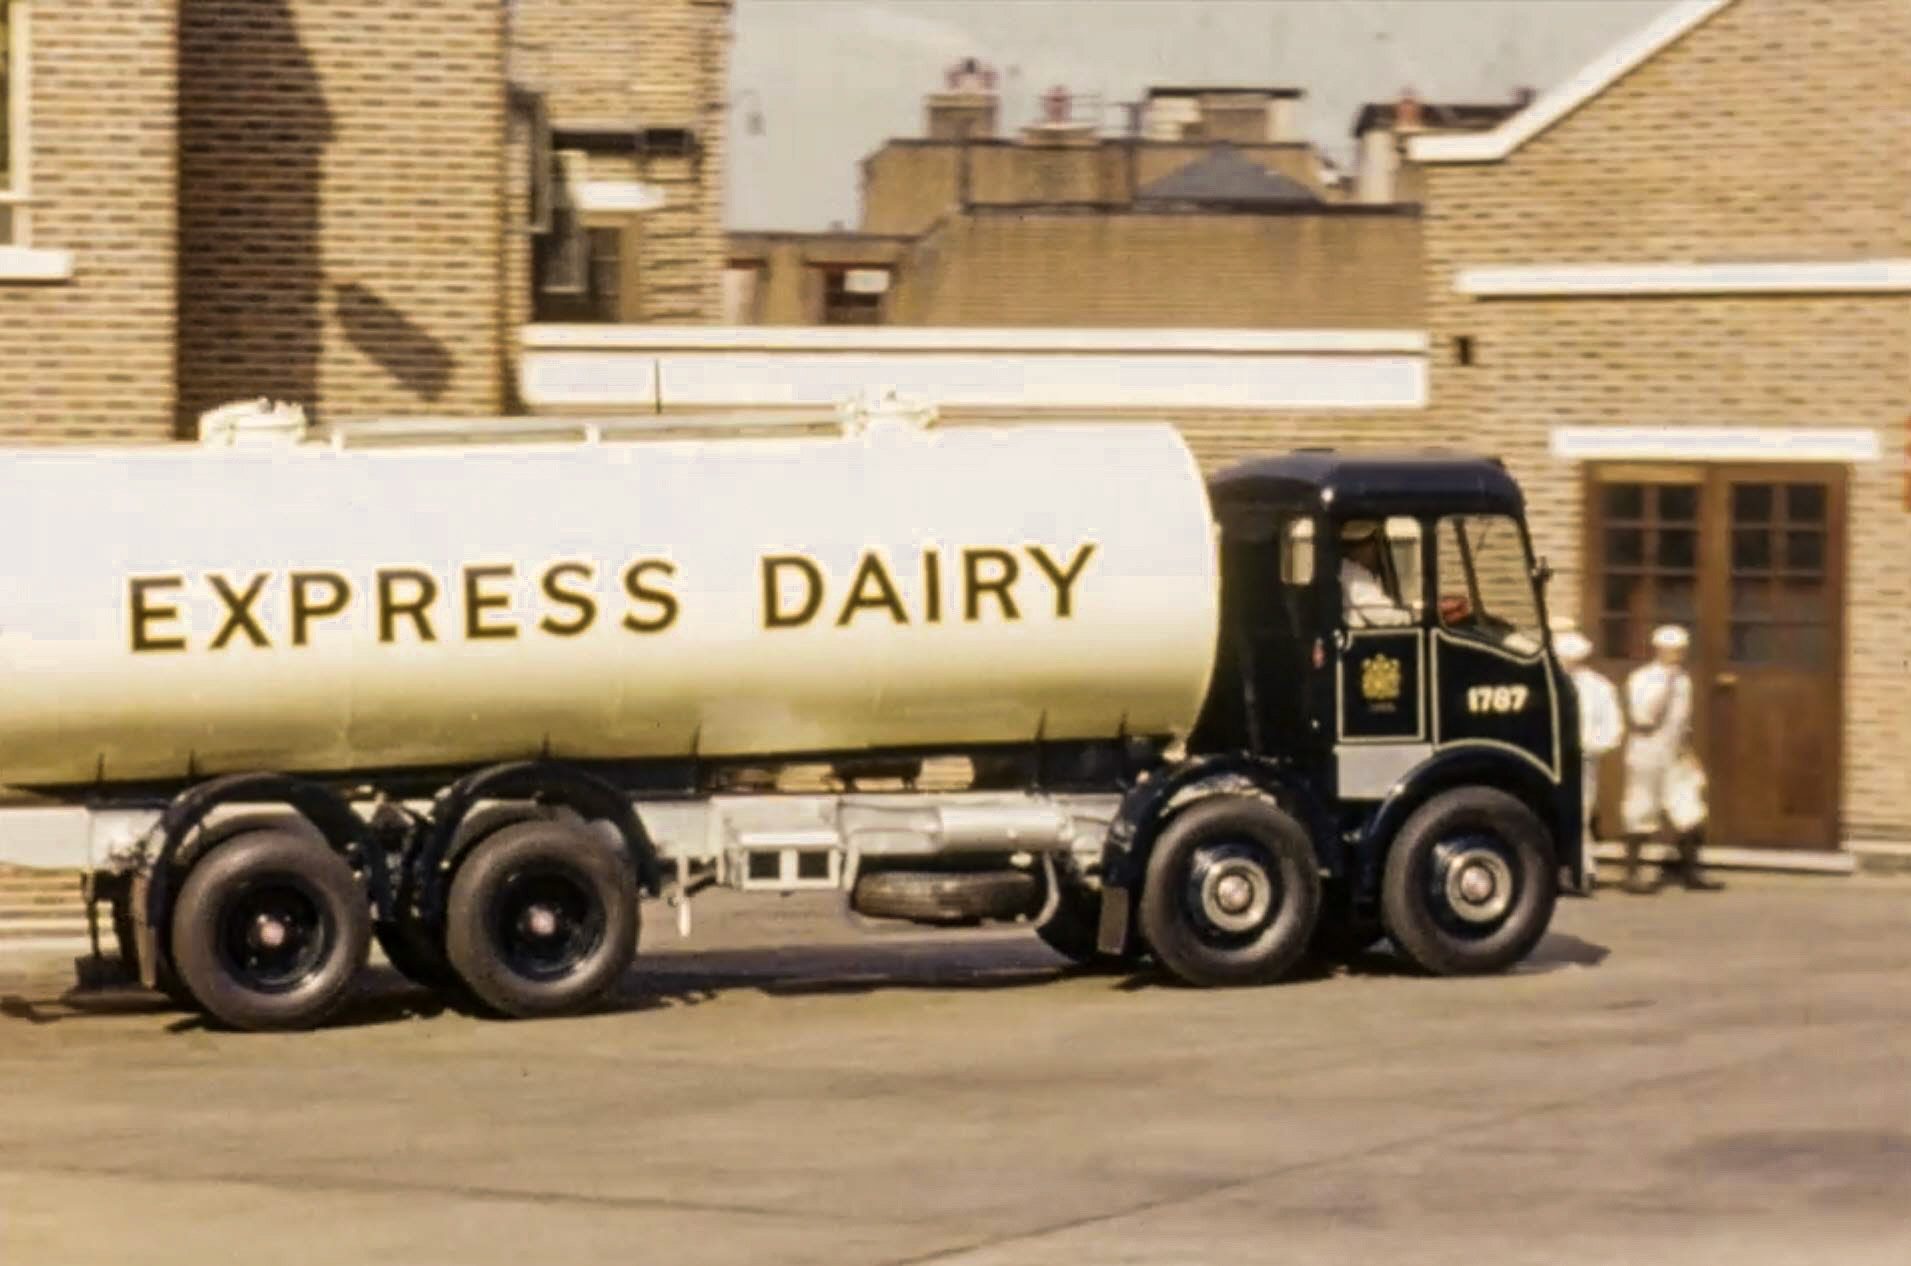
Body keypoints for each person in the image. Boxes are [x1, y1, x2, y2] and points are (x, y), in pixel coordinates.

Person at [1620, 624, 1721, 893]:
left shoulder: (1684, 681)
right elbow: (1645, 718)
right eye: (1672, 651)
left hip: (1674, 754)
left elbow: (1682, 723)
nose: (1677, 656)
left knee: (1690, 808)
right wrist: (1666, 684)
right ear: (1659, 650)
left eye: (1680, 651)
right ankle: (1632, 872)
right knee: (1641, 809)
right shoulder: (1642, 679)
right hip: (1647, 752)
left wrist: (1689, 752)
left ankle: (1693, 871)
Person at [1556, 629, 1623, 892]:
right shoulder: (1551, 683)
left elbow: (1612, 725)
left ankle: (1582, 871)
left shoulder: (1598, 687)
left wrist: (1593, 746)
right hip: (1553, 760)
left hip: (1582, 760)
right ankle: (1558, 871)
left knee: (1580, 814)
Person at [1340, 520, 1413, 628]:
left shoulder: (1349, 570)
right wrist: (1410, 617)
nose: (1376, 552)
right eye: (1375, 545)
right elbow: (1378, 615)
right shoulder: (1353, 573)